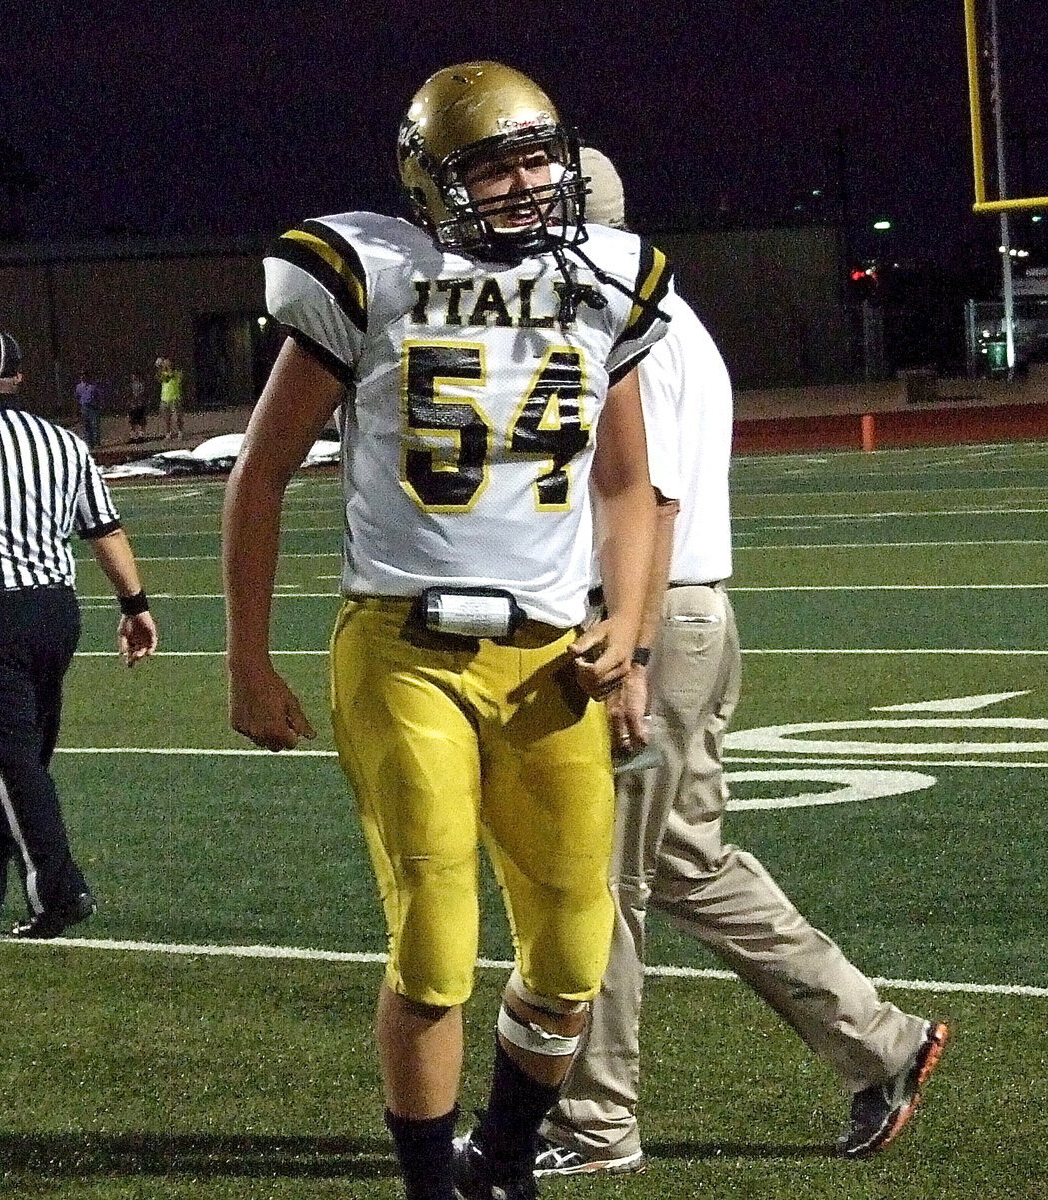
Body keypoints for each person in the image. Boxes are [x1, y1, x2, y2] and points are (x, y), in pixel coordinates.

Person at [222, 63, 675, 1200]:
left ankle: (504, 1163)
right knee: (433, 936)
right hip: (403, 644)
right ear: (434, 181)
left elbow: (627, 486)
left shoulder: (606, 280)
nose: (526, 184)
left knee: (572, 956)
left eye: (538, 158)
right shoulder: (372, 270)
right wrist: (245, 654)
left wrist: (628, 623)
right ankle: (429, 1183)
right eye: (492, 164)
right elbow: (262, 474)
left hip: (546, 661)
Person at [535, 150, 948, 1175]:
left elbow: (653, 500)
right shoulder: (667, 303)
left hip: (645, 621)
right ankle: (879, 1043)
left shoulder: (606, 310)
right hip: (690, 618)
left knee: (600, 884)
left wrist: (621, 647)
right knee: (682, 863)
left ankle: (595, 1125)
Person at [0, 329, 158, 938]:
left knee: (17, 764)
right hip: (55, 612)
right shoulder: (62, 442)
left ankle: (58, 894)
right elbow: (104, 528)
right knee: (22, 758)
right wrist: (135, 604)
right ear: (20, 379)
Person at [156, 355, 184, 441]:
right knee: (166, 418)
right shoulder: (163, 374)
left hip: (175, 398)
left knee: (177, 417)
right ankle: (168, 434)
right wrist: (159, 368)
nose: (166, 364)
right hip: (164, 399)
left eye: (167, 363)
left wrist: (164, 368)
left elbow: (171, 377)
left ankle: (180, 432)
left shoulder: (176, 373)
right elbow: (159, 378)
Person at [74, 369, 101, 447]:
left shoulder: (93, 386)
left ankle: (96, 442)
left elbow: (98, 396)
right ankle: (89, 442)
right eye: (81, 375)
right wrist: (77, 410)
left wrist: (98, 405)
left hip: (93, 407)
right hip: (84, 407)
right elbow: (77, 398)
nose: (83, 377)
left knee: (95, 425)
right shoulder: (78, 387)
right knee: (86, 425)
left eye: (84, 375)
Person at [127, 368, 148, 442]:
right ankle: (133, 436)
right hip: (133, 405)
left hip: (140, 404)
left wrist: (136, 398)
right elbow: (129, 394)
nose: (132, 377)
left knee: (141, 420)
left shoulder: (141, 384)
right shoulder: (131, 385)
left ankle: (141, 436)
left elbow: (142, 393)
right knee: (132, 421)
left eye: (134, 376)